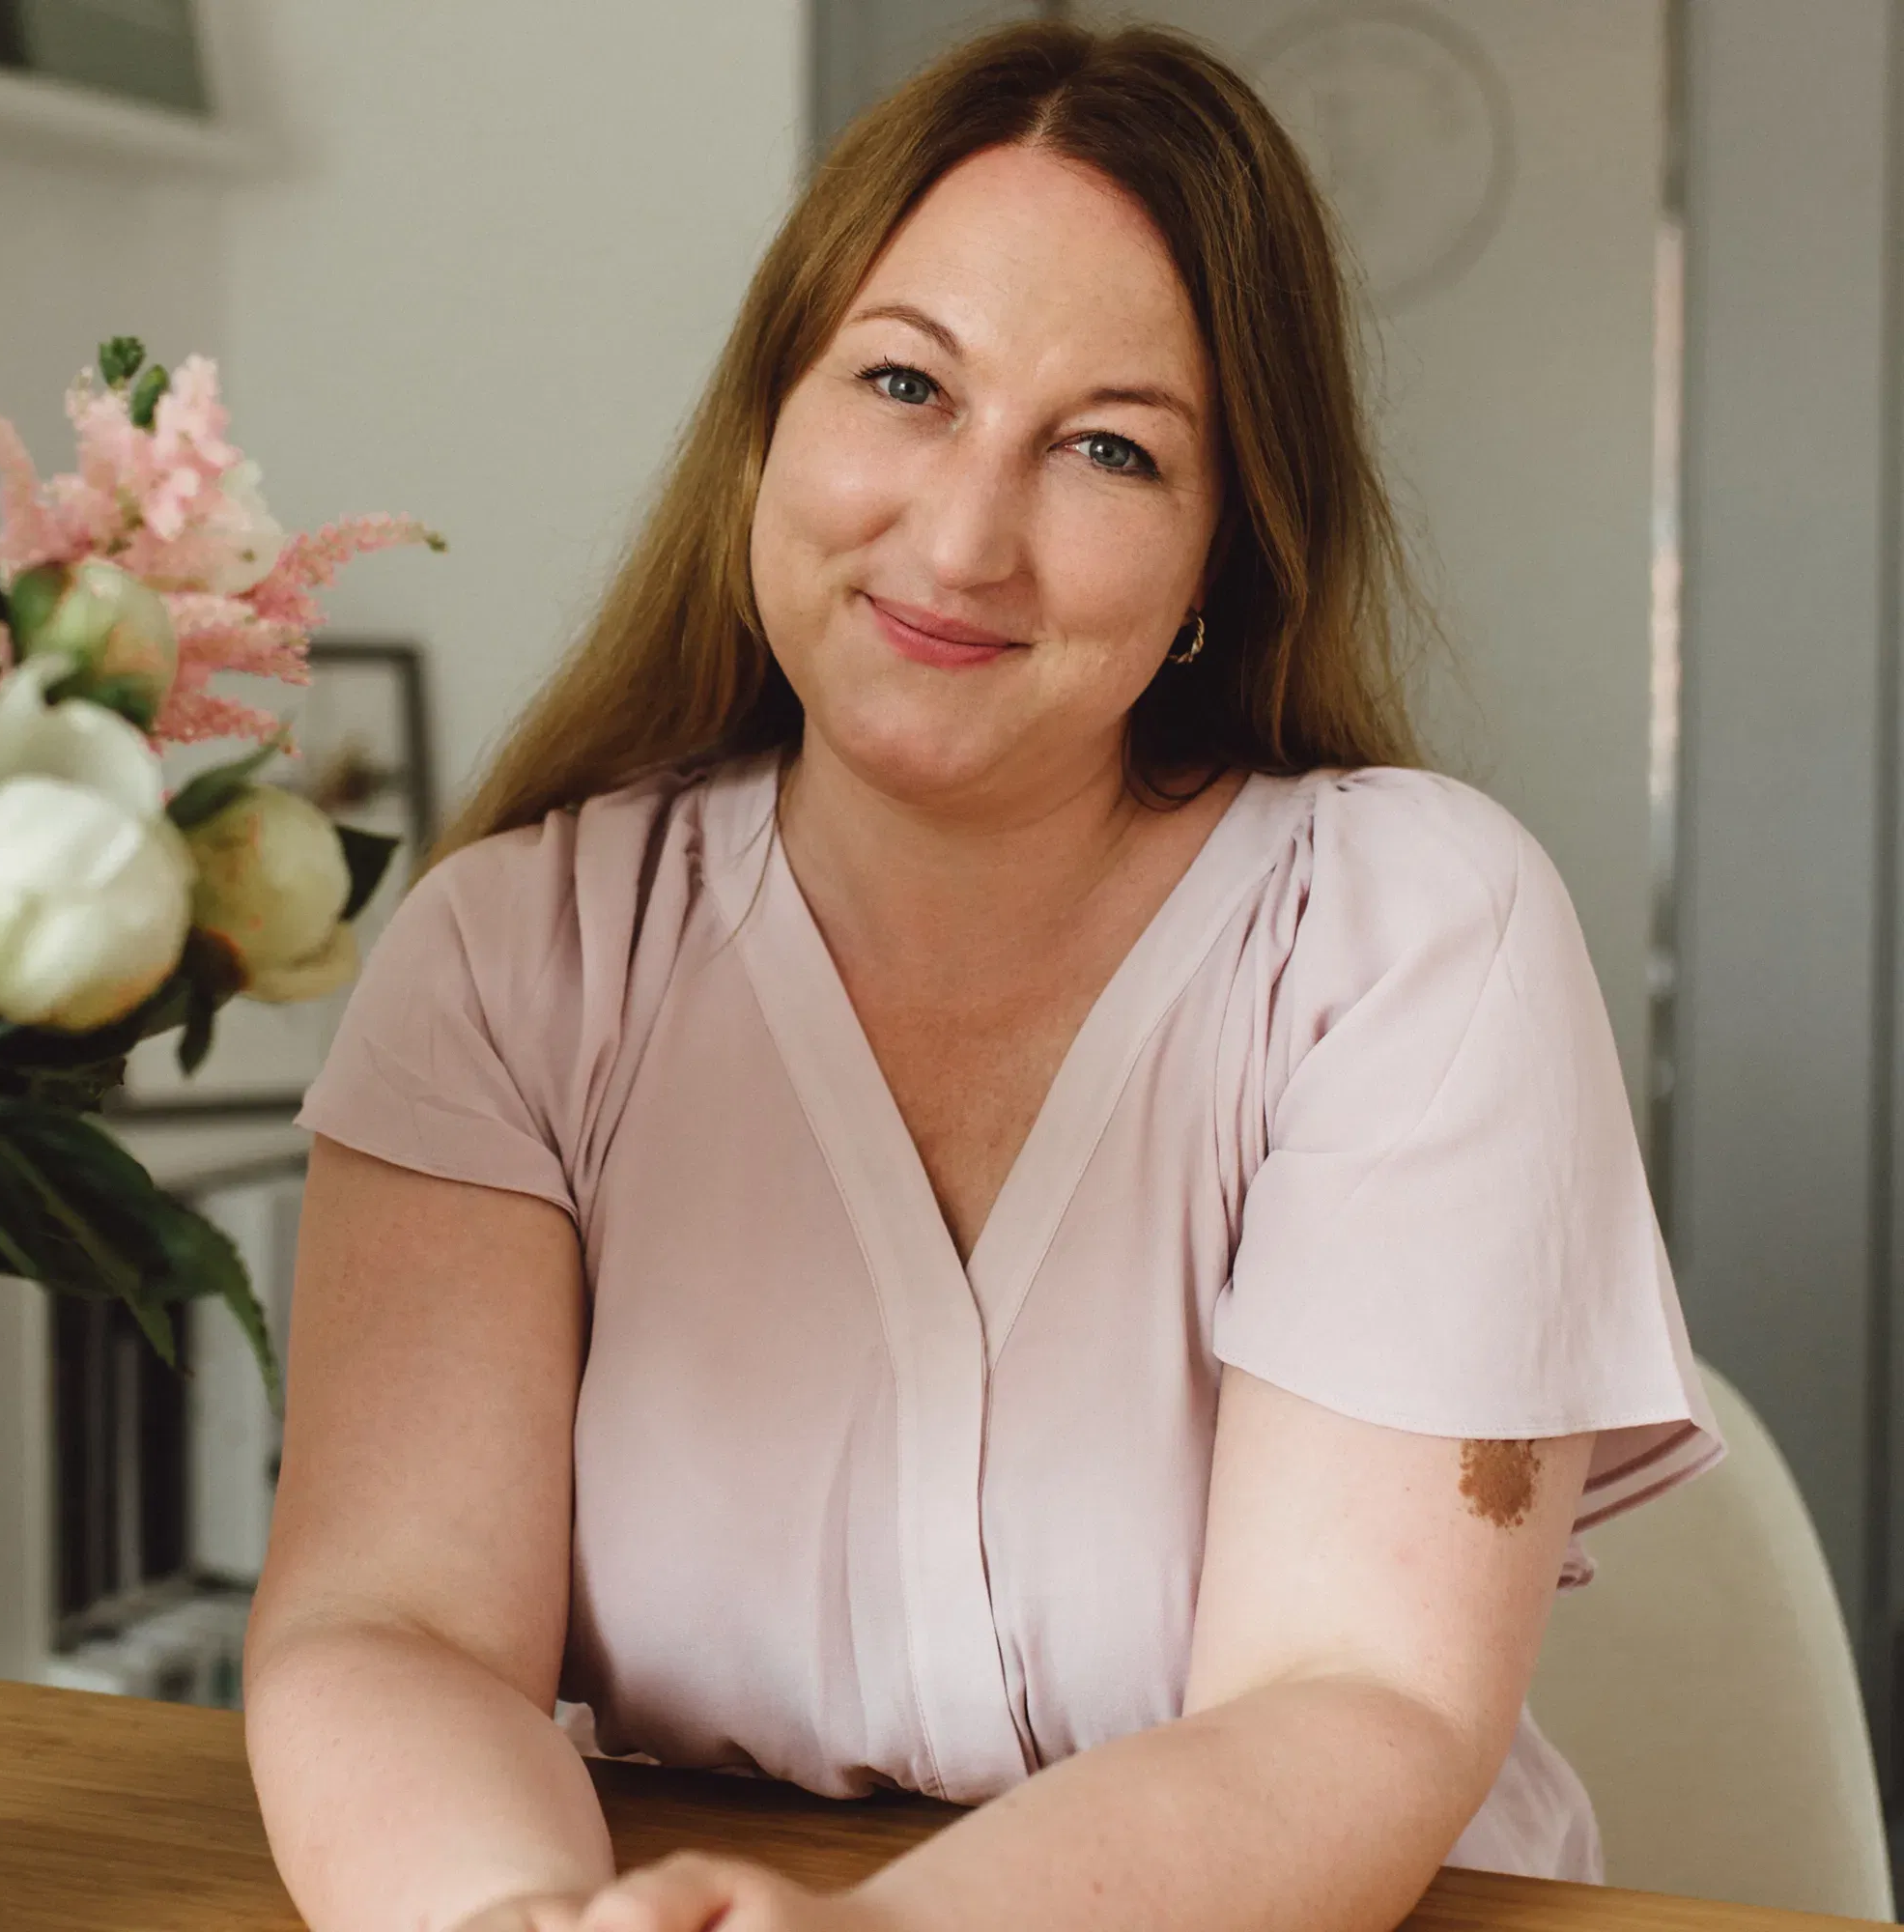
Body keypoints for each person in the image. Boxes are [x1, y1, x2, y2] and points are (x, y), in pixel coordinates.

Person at [244, 21, 1723, 1932]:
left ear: (1223, 556)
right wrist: (508, 1913)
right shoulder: (519, 952)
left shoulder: (1408, 935)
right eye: (903, 383)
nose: (958, 535)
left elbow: (1348, 1702)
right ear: (769, 421)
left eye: (1109, 446)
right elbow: (395, 1628)